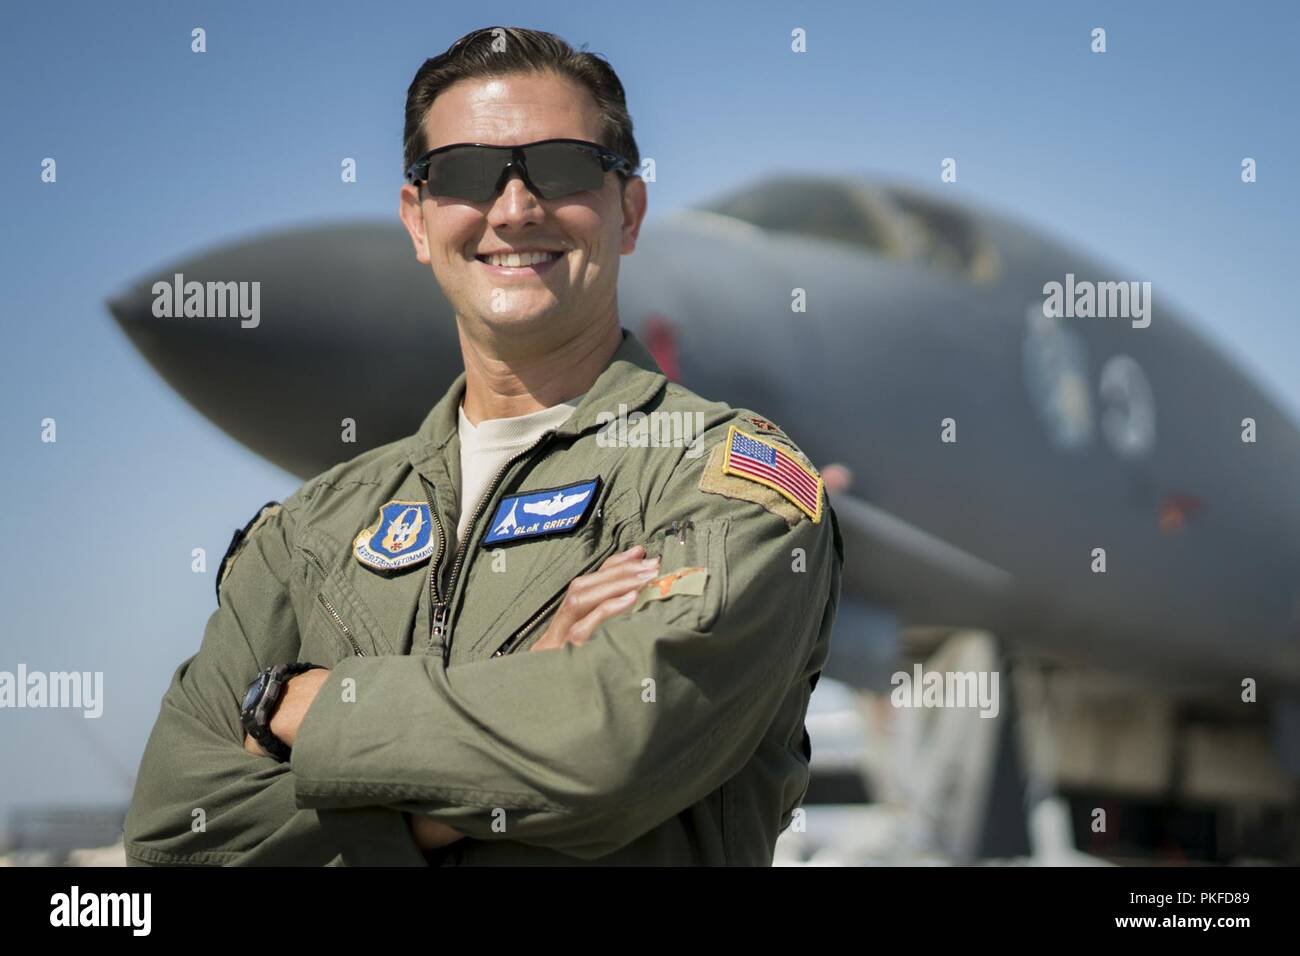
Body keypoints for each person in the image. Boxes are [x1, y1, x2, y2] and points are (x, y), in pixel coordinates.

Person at [124, 25, 842, 866]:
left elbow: (606, 749)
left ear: (630, 210)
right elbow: (177, 834)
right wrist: (523, 693)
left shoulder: (723, 483)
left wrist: (299, 710)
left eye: (565, 168)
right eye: (464, 174)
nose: (514, 208)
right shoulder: (310, 533)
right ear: (418, 221)